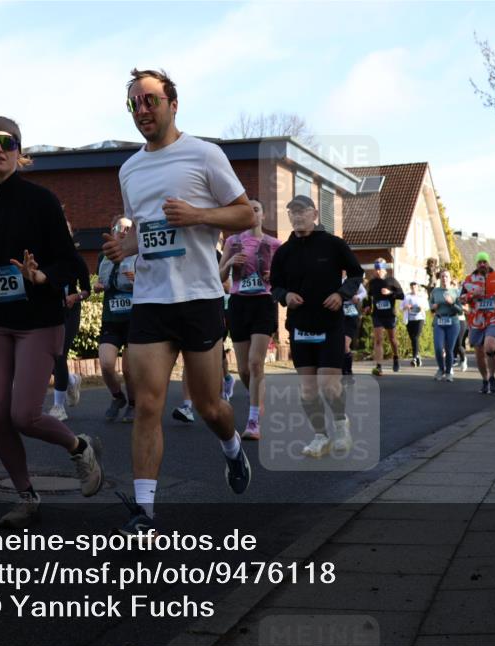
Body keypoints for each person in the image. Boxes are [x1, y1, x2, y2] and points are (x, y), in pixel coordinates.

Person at [102, 69, 254, 538]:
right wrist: (127, 248)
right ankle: (145, 514)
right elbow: (149, 231)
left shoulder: (204, 154)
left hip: (200, 298)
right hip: (150, 300)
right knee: (147, 404)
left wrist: (199, 215)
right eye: (134, 104)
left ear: (172, 103)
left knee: (210, 407)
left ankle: (231, 447)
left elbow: (246, 212)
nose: (142, 110)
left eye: (150, 100)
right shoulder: (129, 169)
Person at [0, 116, 103, 530]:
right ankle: (26, 494)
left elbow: (72, 263)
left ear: (19, 152)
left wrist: (43, 277)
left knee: (24, 415)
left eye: (8, 142)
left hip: (38, 320)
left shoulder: (41, 201)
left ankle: (79, 446)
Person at [270, 195, 363, 458]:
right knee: (308, 389)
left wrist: (341, 294)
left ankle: (342, 425)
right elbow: (275, 285)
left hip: (330, 324)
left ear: (314, 215)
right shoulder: (284, 252)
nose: (297, 217)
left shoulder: (333, 244)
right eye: (292, 213)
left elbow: (356, 273)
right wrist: (285, 296)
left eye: (302, 212)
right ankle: (320, 436)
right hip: (300, 326)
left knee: (328, 383)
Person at [219, 197, 281, 440]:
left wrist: (273, 276)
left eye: (257, 209)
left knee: (256, 364)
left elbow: (284, 280)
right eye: (248, 210)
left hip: (263, 303)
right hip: (238, 303)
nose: (253, 213)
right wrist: (231, 262)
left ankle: (253, 420)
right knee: (244, 369)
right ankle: (258, 396)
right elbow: (219, 275)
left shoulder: (275, 244)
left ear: (263, 215)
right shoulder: (233, 242)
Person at [48, 220, 92, 421]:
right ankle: (72, 379)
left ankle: (58, 406)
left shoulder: (76, 260)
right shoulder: (45, 257)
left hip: (70, 311)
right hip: (50, 311)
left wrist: (76, 297)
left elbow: (86, 290)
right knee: (49, 359)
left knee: (59, 354)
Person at [96, 217, 134, 423]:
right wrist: (98, 287)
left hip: (134, 319)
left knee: (129, 370)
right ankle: (118, 397)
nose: (124, 231)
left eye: (129, 228)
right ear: (112, 229)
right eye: (120, 227)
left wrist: (138, 281)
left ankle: (134, 405)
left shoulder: (139, 255)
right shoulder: (103, 256)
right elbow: (99, 283)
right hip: (111, 318)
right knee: (106, 364)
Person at [459, 252, 495, 394]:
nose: (482, 264)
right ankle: (485, 379)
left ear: (488, 263)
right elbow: (461, 298)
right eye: (479, 262)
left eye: (484, 262)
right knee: (479, 352)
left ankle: (493, 376)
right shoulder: (469, 280)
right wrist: (472, 295)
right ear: (476, 264)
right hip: (476, 320)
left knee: (490, 345)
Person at [366, 259, 404, 376]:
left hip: (389, 315)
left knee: (392, 339)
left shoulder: (391, 281)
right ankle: (379, 366)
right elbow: (368, 297)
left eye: (380, 269)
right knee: (378, 340)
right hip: (377, 314)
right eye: (376, 269)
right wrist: (367, 306)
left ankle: (396, 357)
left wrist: (390, 293)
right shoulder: (372, 283)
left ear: (384, 270)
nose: (378, 272)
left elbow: (401, 295)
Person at [429, 270, 463, 381]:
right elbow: (430, 305)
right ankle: (440, 369)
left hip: (453, 322)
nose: (444, 279)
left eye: (446, 277)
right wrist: (433, 307)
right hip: (439, 321)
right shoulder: (435, 291)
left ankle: (448, 373)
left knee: (449, 349)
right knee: (438, 348)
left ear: (450, 278)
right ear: (440, 278)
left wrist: (452, 303)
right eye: (442, 276)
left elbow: (461, 311)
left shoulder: (456, 292)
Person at [341, 276, 367, 378]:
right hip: (336, 314)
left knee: (344, 343)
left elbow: (363, 292)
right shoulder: (332, 278)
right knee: (338, 344)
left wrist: (358, 297)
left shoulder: (352, 280)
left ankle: (347, 369)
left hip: (350, 314)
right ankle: (343, 369)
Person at [402, 282, 428, 367]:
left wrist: (421, 307)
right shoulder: (407, 296)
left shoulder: (422, 296)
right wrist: (406, 307)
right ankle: (417, 356)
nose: (413, 288)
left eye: (415, 287)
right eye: (412, 287)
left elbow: (427, 307)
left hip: (419, 318)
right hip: (409, 319)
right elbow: (401, 307)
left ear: (417, 287)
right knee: (412, 338)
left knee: (416, 337)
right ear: (410, 288)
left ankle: (414, 357)